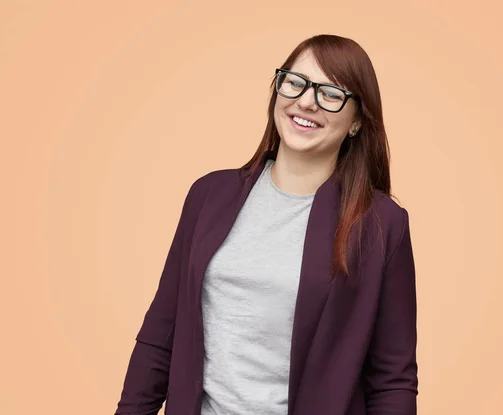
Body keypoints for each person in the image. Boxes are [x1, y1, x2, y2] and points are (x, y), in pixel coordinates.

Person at [115, 34, 418, 415]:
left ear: (357, 121)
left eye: (331, 93)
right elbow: (161, 335)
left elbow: (393, 379)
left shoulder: (381, 224)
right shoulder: (209, 195)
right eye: (295, 82)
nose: (306, 101)